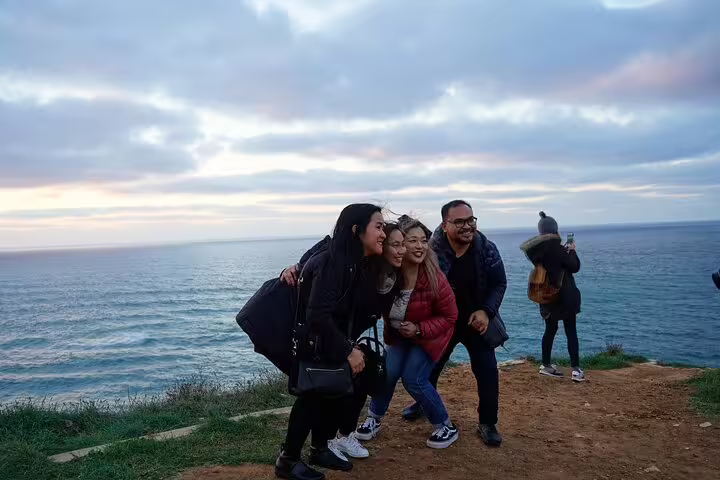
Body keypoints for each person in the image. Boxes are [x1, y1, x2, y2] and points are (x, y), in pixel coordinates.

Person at [275, 204, 386, 480]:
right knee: (311, 399)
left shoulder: (351, 261)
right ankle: (287, 461)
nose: (383, 233)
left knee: (329, 395)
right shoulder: (332, 262)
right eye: (379, 226)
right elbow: (317, 316)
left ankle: (319, 448)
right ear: (356, 230)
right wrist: (349, 350)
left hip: (328, 342)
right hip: (316, 343)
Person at [402, 200, 507, 448]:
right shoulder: (432, 249)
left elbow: (499, 283)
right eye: (459, 221)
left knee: (487, 371)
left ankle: (488, 423)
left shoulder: (486, 249)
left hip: (476, 321)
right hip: (442, 322)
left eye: (470, 220)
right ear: (445, 224)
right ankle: (423, 403)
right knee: (429, 369)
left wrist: (486, 311)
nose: (467, 226)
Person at [355, 217, 459, 449]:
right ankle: (374, 419)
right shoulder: (389, 273)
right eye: (412, 240)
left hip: (429, 337)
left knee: (414, 379)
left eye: (424, 240)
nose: (420, 246)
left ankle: (446, 426)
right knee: (388, 373)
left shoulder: (434, 277)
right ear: (399, 244)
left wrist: (420, 328)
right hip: (400, 337)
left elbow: (450, 317)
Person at [520, 212, 584, 382]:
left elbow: (550, 262)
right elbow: (574, 266)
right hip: (565, 296)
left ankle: (546, 365)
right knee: (571, 331)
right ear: (555, 229)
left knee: (550, 330)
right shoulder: (558, 248)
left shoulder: (535, 252)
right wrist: (571, 251)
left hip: (547, 296)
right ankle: (576, 370)